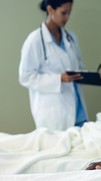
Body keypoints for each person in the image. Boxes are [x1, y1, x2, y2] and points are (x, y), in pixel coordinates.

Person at [19, 0, 88, 131]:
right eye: (63, 13)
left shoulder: (71, 38)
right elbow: (26, 77)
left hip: (77, 109)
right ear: (50, 10)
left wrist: (88, 75)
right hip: (53, 111)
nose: (67, 17)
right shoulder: (35, 40)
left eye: (69, 13)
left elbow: (79, 65)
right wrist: (58, 79)